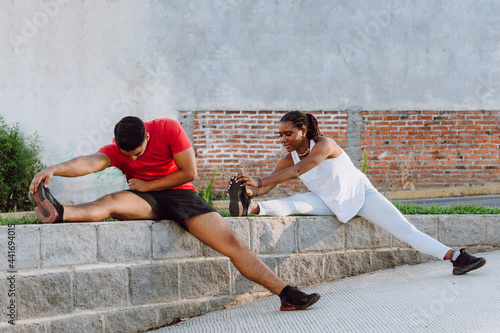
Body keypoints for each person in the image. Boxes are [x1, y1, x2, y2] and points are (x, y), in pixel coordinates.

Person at [28, 116, 320, 311]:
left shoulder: (168, 128)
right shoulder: (119, 148)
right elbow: (89, 162)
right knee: (111, 202)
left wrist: (148, 183)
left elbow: (189, 172)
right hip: (146, 199)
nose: (131, 159)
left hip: (182, 196)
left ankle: (286, 294)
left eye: (137, 153)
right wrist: (52, 169)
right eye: (126, 155)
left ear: (147, 134)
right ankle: (60, 212)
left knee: (233, 245)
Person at [228, 111, 486, 276]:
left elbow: (300, 170)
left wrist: (260, 181)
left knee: (404, 229)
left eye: (288, 133)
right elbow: (268, 186)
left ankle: (455, 256)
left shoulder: (325, 144)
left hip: (360, 195)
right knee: (295, 202)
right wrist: (247, 190)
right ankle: (249, 209)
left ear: (303, 131)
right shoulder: (288, 158)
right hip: (327, 201)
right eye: (280, 135)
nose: (283, 139)